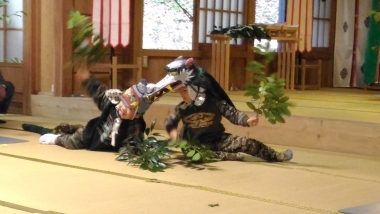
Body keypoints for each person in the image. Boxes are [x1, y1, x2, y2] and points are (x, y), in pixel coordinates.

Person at [164, 57, 293, 162]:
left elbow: (232, 113)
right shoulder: (182, 108)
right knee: (196, 155)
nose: (182, 94)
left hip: (218, 139)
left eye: (185, 90)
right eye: (181, 91)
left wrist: (246, 121)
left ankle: (275, 156)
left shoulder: (214, 102)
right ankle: (229, 156)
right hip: (194, 144)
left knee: (247, 143)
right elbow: (170, 121)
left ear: (195, 89)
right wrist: (173, 132)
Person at [38, 66, 150, 151]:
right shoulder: (113, 104)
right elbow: (100, 94)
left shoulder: (135, 126)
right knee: (74, 140)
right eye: (123, 102)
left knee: (73, 139)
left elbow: (133, 146)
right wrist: (88, 80)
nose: (123, 108)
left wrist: (129, 152)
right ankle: (58, 137)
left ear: (137, 114)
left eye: (130, 108)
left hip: (101, 145)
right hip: (92, 132)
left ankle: (58, 137)